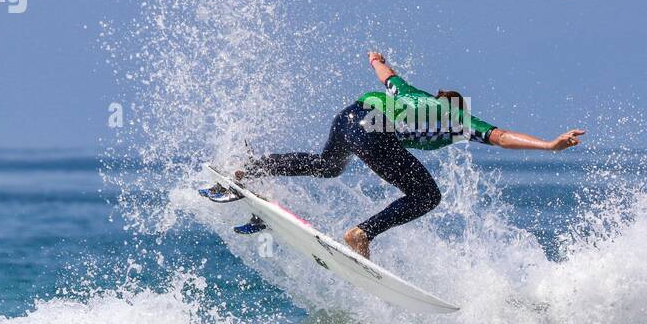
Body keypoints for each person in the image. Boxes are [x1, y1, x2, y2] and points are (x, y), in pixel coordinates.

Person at [206, 52, 584, 258]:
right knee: (426, 195)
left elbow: (386, 75)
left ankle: (248, 170)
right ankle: (360, 234)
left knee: (327, 166)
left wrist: (375, 57)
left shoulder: (411, 94)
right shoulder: (462, 122)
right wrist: (549, 145)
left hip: (350, 116)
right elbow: (501, 137)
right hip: (373, 130)